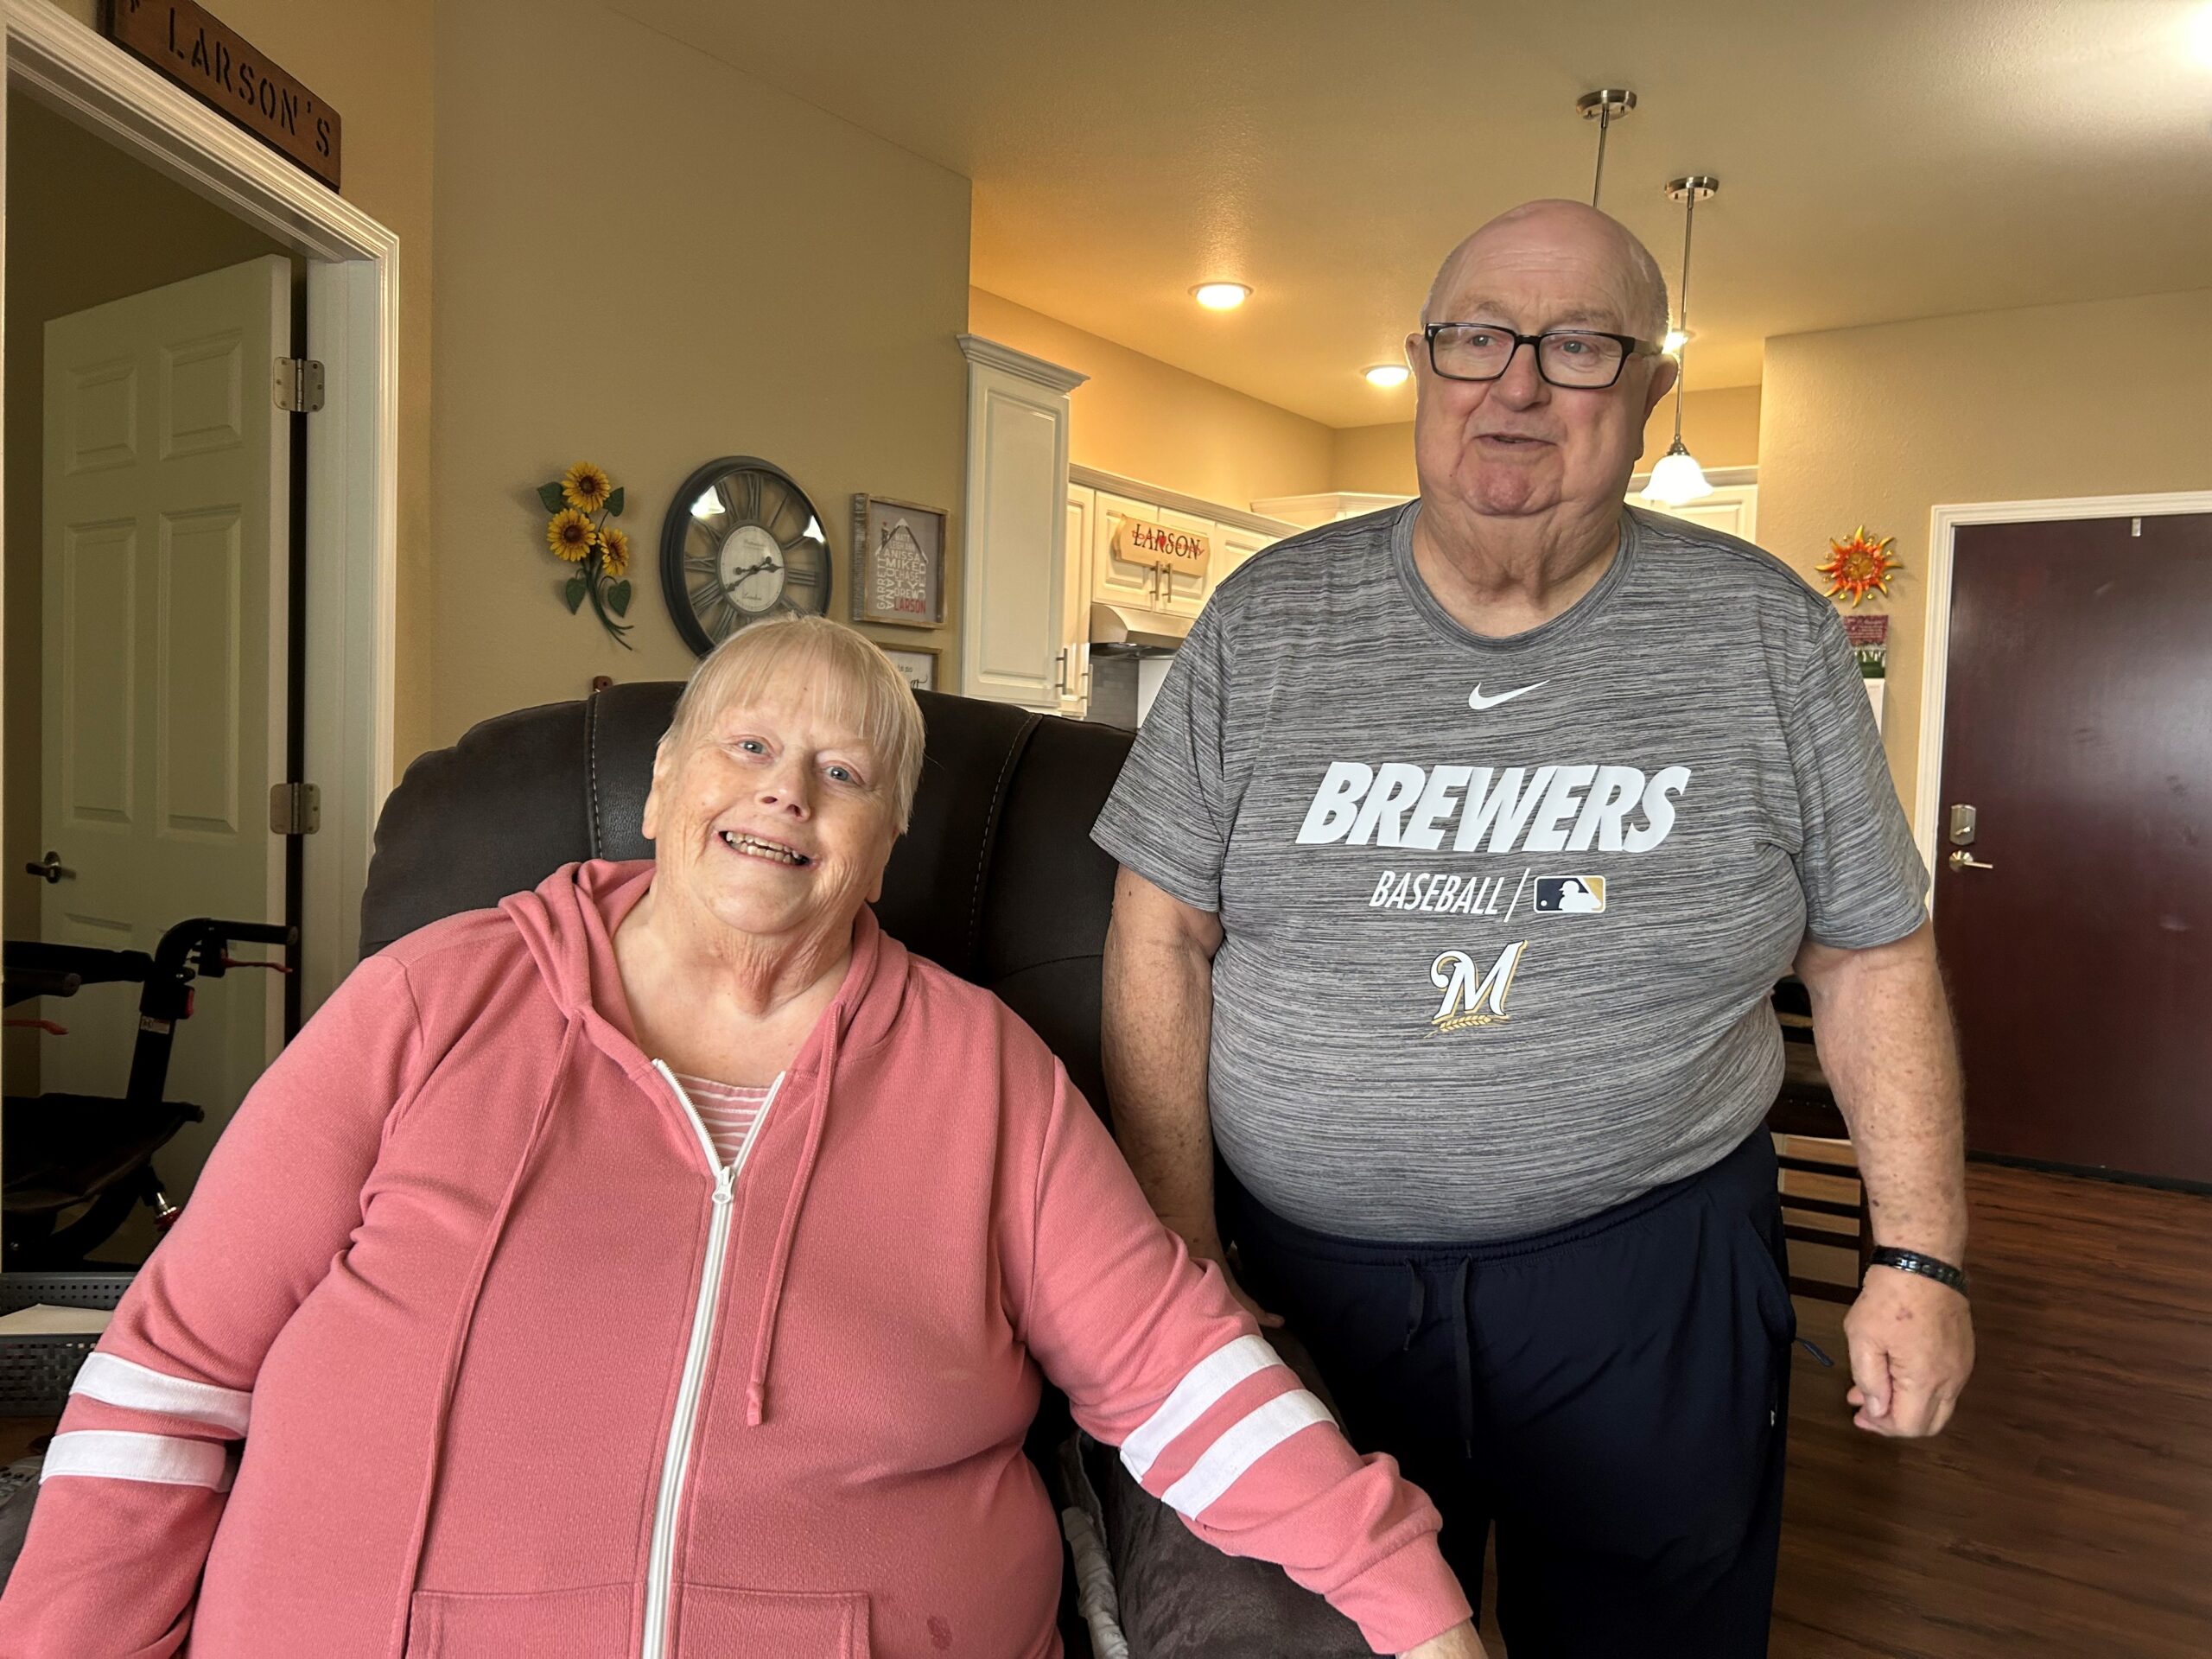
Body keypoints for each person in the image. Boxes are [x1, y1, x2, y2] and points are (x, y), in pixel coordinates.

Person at [0, 618, 1485, 1659]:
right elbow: (168, 1383)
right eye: (750, 742)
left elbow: (1177, 1371)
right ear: (661, 785)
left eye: (845, 773)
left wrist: (1420, 1608)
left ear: (887, 838)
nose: (788, 787)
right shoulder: (428, 1002)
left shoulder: (985, 1075)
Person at [1093, 200, 1975, 1656]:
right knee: (1334, 1640)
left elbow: (1871, 950)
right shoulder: (1266, 622)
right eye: (1474, 338)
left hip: (1651, 1283)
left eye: (1576, 346)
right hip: (1300, 1282)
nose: (1514, 383)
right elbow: (1156, 938)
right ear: (1425, 369)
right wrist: (1182, 1253)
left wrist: (1921, 1259)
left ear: (1645, 395)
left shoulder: (1767, 635)